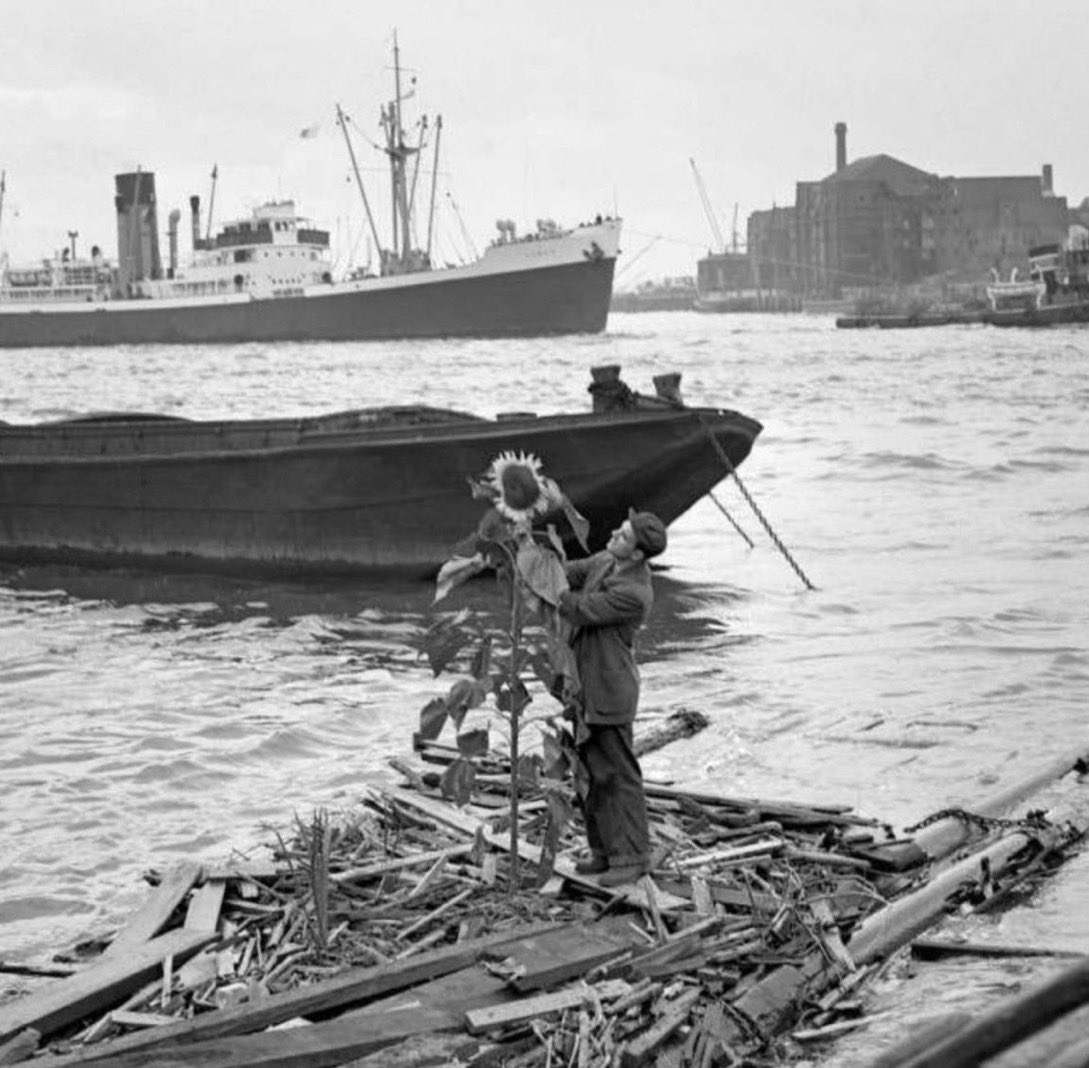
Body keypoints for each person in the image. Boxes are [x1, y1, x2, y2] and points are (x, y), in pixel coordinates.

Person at [557, 508, 667, 887]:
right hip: (587, 685)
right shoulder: (606, 560)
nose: (613, 537)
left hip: (610, 690)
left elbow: (581, 609)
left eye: (622, 537)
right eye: (619, 530)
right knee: (593, 773)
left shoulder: (634, 593)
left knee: (618, 775)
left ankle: (634, 856)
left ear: (637, 555)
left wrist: (544, 585)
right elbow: (572, 572)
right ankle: (603, 851)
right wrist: (536, 558)